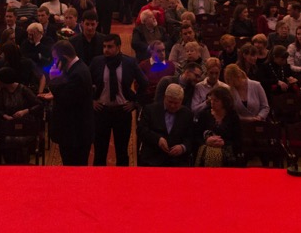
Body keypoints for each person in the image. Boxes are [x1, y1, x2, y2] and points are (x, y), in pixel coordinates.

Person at [90, 33, 146, 166]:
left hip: (122, 112)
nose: (106, 50)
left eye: (110, 47)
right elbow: (85, 83)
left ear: (118, 47)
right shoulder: (97, 62)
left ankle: (122, 178)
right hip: (101, 111)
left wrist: (135, 103)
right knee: (99, 152)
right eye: (104, 46)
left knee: (122, 152)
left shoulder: (129, 63)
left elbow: (144, 83)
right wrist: (91, 101)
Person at [47, 40, 94, 166]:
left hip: (75, 134)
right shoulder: (74, 68)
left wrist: (53, 80)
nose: (55, 63)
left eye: (56, 59)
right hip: (72, 133)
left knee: (74, 168)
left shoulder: (78, 73)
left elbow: (67, 100)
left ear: (64, 57)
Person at [138, 82, 195, 166]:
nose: (172, 106)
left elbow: (191, 137)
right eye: (170, 102)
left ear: (181, 101)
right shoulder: (150, 110)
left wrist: (183, 147)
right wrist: (158, 139)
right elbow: (141, 130)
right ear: (165, 97)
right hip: (152, 159)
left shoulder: (187, 114)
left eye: (176, 103)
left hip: (177, 162)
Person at [194, 85, 242, 167]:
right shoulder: (204, 114)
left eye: (216, 100)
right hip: (207, 152)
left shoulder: (233, 116)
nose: (212, 102)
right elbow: (196, 136)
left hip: (227, 153)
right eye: (211, 99)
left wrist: (224, 143)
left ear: (225, 102)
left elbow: (238, 140)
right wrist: (207, 141)